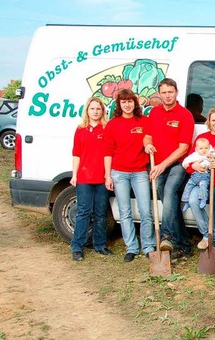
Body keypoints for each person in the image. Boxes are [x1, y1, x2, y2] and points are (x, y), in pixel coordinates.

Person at [143, 78, 195, 259]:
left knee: (170, 191)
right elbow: (147, 136)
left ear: (176, 92)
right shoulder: (154, 113)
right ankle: (184, 245)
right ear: (160, 93)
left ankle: (166, 236)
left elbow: (184, 148)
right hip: (157, 165)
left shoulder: (184, 115)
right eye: (164, 92)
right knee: (170, 206)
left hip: (176, 164)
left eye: (170, 92)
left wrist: (162, 165)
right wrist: (147, 145)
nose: (167, 95)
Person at [104, 89, 156, 262]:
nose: (127, 104)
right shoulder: (113, 124)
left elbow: (148, 138)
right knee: (125, 212)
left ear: (135, 103)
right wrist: (107, 176)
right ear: (119, 104)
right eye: (123, 101)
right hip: (119, 173)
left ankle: (148, 246)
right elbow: (108, 152)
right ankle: (132, 247)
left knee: (145, 211)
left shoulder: (144, 121)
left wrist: (148, 146)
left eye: (130, 101)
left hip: (139, 171)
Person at [184, 107, 215, 264]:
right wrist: (193, 167)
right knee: (193, 201)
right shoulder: (202, 138)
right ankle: (207, 233)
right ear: (209, 121)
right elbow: (189, 160)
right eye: (213, 120)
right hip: (201, 183)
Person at [70, 96, 110, 261]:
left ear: (102, 111)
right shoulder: (80, 129)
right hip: (84, 178)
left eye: (98, 109)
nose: (95, 111)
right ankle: (77, 247)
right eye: (92, 108)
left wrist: (108, 175)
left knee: (101, 213)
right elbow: (76, 153)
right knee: (83, 212)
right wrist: (74, 174)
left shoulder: (106, 129)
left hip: (101, 178)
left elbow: (109, 153)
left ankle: (100, 245)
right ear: (87, 110)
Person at [180, 138, 215, 211]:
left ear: (209, 147)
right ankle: (186, 201)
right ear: (197, 149)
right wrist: (187, 164)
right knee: (188, 187)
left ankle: (203, 199)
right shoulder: (194, 155)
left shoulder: (209, 155)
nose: (204, 150)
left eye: (206, 148)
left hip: (204, 176)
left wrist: (212, 156)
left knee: (203, 187)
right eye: (201, 148)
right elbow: (186, 161)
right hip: (194, 176)